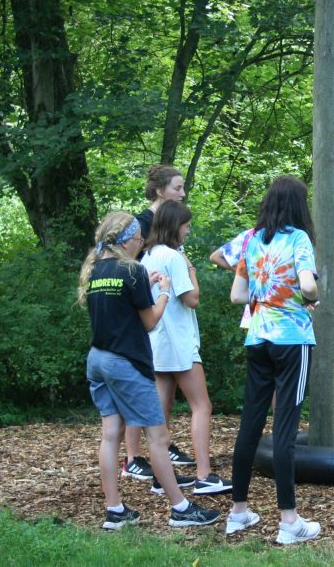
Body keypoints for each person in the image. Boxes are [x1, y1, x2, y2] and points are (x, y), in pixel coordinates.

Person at [77, 212, 220, 530]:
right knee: (158, 437)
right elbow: (150, 321)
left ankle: (114, 510)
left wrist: (149, 282)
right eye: (140, 240)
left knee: (110, 435)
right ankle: (180, 509)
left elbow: (121, 306)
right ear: (128, 240)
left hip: (97, 360)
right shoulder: (132, 271)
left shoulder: (97, 269)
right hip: (126, 363)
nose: (142, 244)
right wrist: (165, 292)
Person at [226, 176, 322, 545]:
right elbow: (309, 286)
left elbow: (238, 295)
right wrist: (309, 293)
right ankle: (289, 522)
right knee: (285, 429)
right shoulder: (298, 238)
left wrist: (267, 292)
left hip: (257, 337)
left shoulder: (252, 239)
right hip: (292, 340)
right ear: (299, 204)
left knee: (250, 423)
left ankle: (238, 513)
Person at [141, 201, 231, 495]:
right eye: (187, 226)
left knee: (161, 408)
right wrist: (192, 270)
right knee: (201, 405)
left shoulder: (147, 256)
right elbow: (191, 298)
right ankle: (204, 474)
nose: (189, 231)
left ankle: (160, 475)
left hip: (156, 342)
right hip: (179, 341)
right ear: (175, 226)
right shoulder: (173, 257)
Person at [123, 164, 195, 480]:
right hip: (139, 313)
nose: (182, 193)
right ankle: (132, 456)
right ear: (159, 191)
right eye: (177, 188)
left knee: (161, 385)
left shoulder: (169, 224)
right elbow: (122, 265)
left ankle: (160, 446)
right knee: (142, 384)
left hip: (163, 315)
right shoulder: (142, 223)